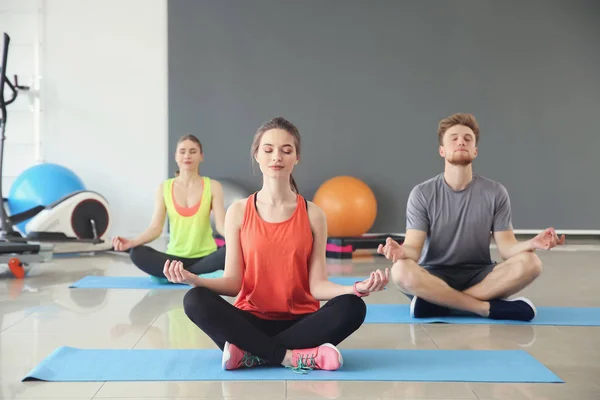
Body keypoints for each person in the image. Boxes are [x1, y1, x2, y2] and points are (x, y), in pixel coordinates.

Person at [163, 117, 389, 373]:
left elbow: (317, 286)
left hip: (302, 323)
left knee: (353, 306)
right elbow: (234, 283)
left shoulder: (313, 214)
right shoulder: (238, 212)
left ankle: (253, 355)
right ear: (257, 155)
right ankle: (295, 357)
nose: (276, 157)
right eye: (268, 149)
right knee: (195, 300)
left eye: (286, 150)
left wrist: (356, 287)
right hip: (249, 322)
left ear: (296, 157)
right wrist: (197, 280)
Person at [379, 113, 565, 321]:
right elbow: (413, 249)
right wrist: (400, 251)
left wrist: (533, 242)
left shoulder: (495, 192)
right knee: (401, 270)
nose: (461, 142)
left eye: (468, 139)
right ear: (442, 150)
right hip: (433, 276)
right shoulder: (422, 193)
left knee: (532, 262)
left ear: (475, 151)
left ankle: (442, 305)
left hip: (481, 276)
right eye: (454, 138)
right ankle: (483, 308)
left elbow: (507, 249)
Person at [112, 134, 227, 281]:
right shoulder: (164, 188)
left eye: (193, 151)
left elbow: (221, 225)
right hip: (174, 260)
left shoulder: (213, 186)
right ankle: (190, 275)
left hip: (205, 257)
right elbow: (155, 228)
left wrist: (241, 240)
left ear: (201, 156)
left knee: (230, 252)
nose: (187, 156)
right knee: (136, 252)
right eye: (182, 151)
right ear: (176, 156)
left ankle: (180, 275)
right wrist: (131, 242)